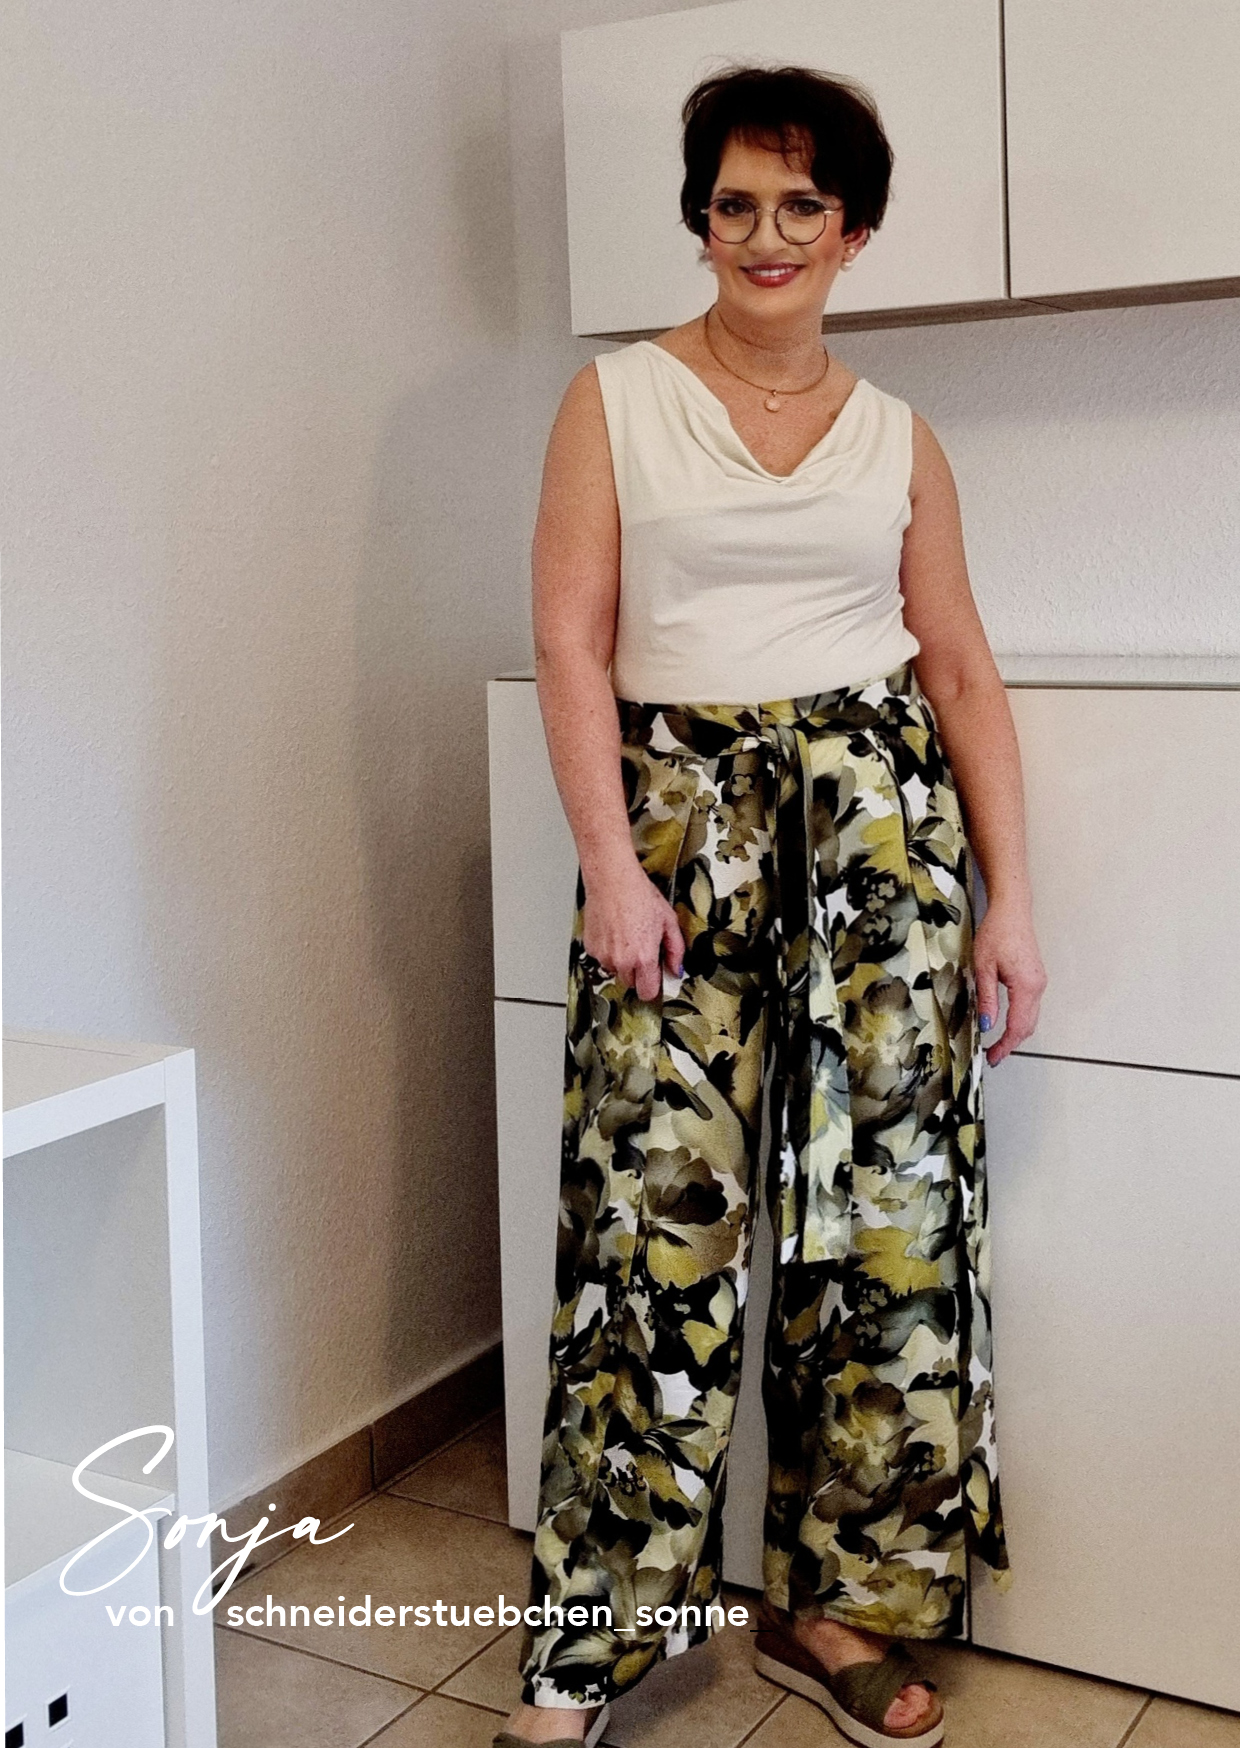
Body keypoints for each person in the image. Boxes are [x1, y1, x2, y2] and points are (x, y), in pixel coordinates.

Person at [495, 63, 1047, 1748]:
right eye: (736, 203)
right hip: (677, 852)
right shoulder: (615, 402)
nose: (767, 233)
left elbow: (958, 665)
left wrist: (1010, 903)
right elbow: (571, 643)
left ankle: (835, 1609)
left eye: (803, 204)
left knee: (882, 1238)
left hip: (883, 863)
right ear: (700, 221)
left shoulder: (900, 436)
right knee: (648, 1244)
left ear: (853, 231)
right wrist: (609, 865)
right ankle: (586, 1651)